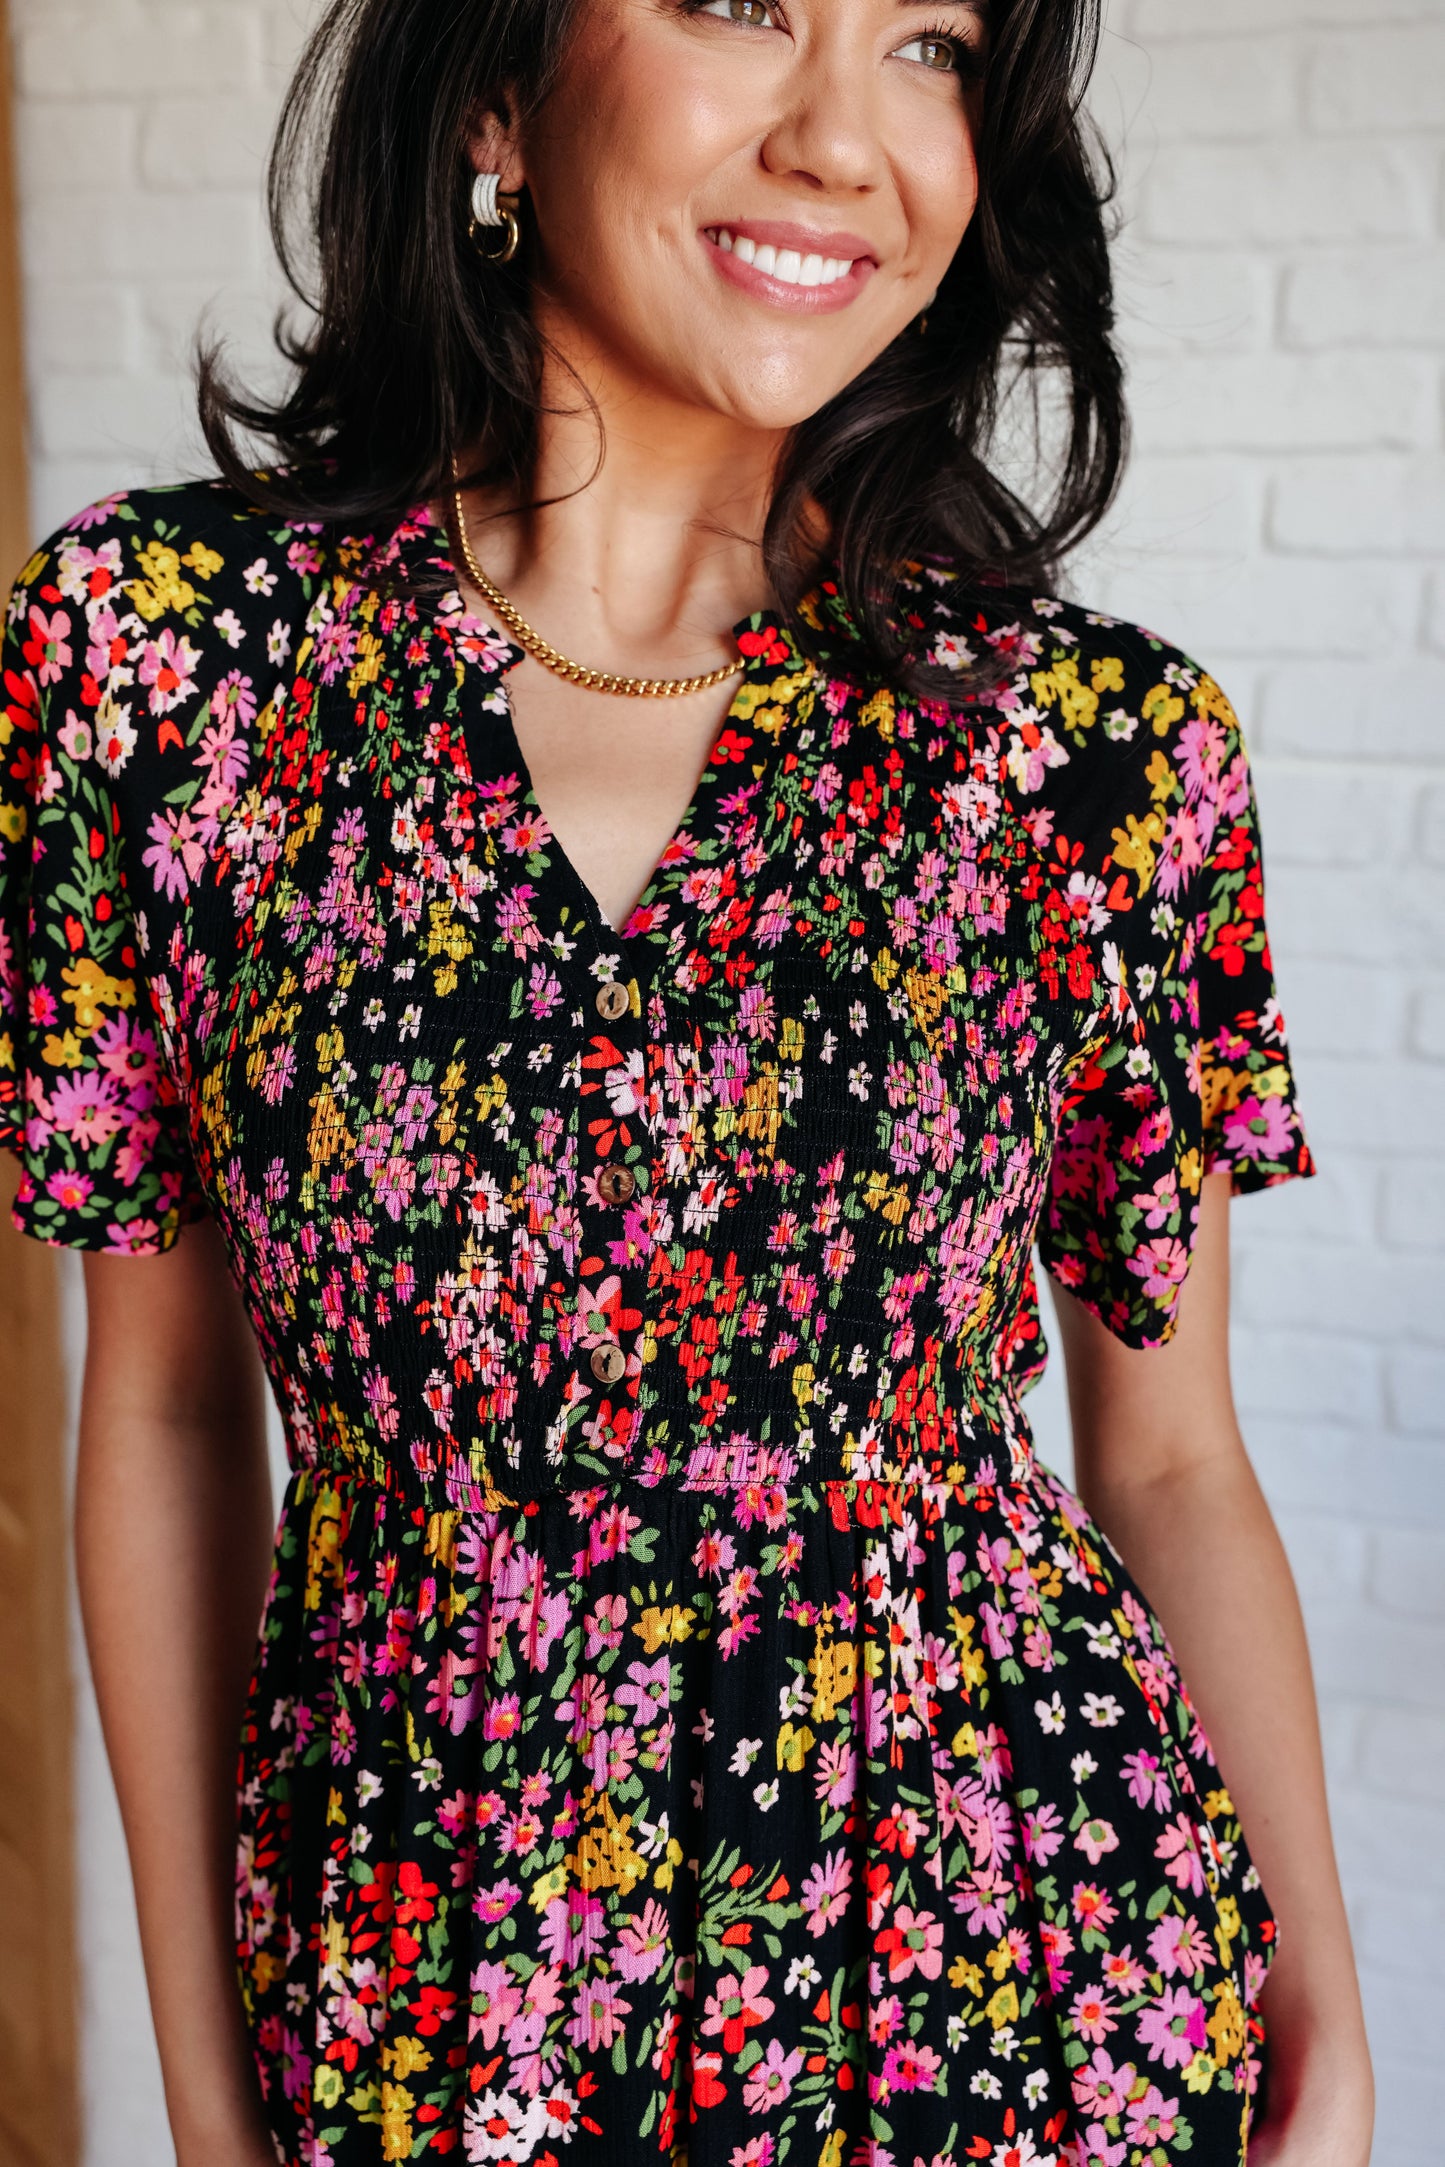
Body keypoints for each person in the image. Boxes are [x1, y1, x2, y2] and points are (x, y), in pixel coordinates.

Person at [0, 1, 1375, 2163]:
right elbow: (166, 1403)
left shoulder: (1095, 756)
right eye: (746, 3)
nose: (845, 134)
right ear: (490, 89)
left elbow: (1174, 1455)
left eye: (931, 42)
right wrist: (204, 2069)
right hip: (421, 2004)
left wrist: (1331, 2013)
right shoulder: (163, 668)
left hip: (1018, 1991)